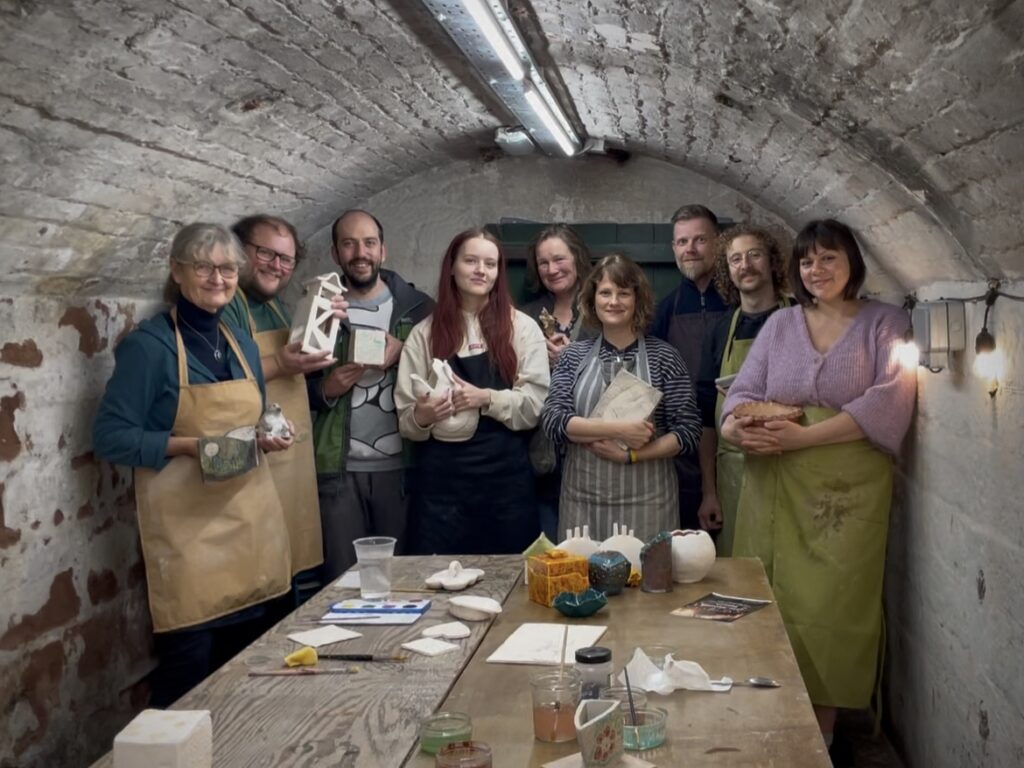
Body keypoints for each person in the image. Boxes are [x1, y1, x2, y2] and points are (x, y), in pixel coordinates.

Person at [720, 219, 916, 750]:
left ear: (853, 263)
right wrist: (737, 431)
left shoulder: (885, 322)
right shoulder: (781, 324)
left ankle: (819, 736)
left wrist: (804, 438)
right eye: (807, 261)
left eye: (829, 258)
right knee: (770, 596)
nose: (816, 270)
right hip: (773, 487)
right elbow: (740, 395)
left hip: (844, 496)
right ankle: (767, 712)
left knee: (830, 604)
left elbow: (890, 399)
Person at [92, 223, 295, 707]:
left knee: (257, 682)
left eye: (227, 269)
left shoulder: (242, 343)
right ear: (176, 270)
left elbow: (250, 419)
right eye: (203, 267)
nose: (217, 279)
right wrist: (187, 447)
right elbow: (109, 436)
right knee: (189, 686)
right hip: (191, 546)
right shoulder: (149, 348)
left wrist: (269, 433)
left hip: (255, 534)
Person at [394, 228, 549, 555]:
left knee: (511, 577)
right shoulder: (424, 334)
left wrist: (486, 398)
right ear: (452, 267)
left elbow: (535, 406)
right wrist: (423, 416)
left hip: (506, 486)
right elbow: (406, 420)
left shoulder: (522, 328)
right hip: (442, 489)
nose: (481, 270)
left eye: (490, 264)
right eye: (471, 261)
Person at [222, 214, 347, 602]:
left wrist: (323, 323)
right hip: (250, 458)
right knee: (256, 574)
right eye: (266, 253)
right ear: (239, 252)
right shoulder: (227, 305)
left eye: (286, 259)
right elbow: (220, 382)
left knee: (289, 576)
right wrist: (280, 364)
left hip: (289, 459)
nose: (277, 266)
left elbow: (300, 371)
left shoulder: (277, 306)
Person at [541, 254, 702, 542]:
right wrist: (620, 430)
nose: (613, 301)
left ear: (637, 300)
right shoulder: (573, 356)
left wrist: (631, 455)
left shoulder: (664, 357)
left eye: (623, 293)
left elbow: (688, 432)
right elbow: (553, 421)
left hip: (649, 504)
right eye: (605, 293)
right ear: (592, 300)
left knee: (645, 571)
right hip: (583, 504)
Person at [308, 209, 433, 581]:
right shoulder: (318, 310)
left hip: (403, 470)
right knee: (343, 583)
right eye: (349, 244)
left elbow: (446, 371)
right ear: (336, 253)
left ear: (383, 250)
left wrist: (406, 350)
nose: (360, 253)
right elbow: (291, 389)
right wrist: (325, 390)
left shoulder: (419, 308)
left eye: (369, 243)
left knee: (405, 580)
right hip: (339, 472)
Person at [695, 224, 792, 553]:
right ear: (727, 271)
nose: (745, 265)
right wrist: (710, 491)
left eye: (754, 255)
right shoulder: (720, 331)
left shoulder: (801, 319)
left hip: (790, 462)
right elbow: (706, 419)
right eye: (735, 259)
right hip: (734, 471)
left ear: (772, 261)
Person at [651, 205, 729, 530]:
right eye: (682, 242)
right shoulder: (664, 310)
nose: (690, 249)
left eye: (700, 240)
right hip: (681, 450)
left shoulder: (738, 303)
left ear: (718, 243)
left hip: (733, 437)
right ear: (673, 248)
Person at [520, 224, 597, 541]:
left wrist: (573, 360)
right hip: (542, 453)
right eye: (543, 262)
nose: (552, 269)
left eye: (559, 259)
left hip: (592, 449)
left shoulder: (603, 308)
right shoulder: (525, 315)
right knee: (550, 547)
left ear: (577, 257)